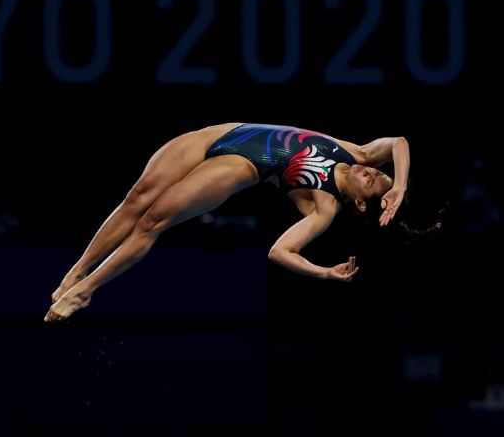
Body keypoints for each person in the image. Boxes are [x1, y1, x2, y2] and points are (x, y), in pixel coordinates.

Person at [44, 122, 410, 322]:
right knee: (136, 198)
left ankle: (86, 289)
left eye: (376, 183)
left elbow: (281, 251)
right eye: (379, 173)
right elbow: (399, 141)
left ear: (361, 203)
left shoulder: (325, 205)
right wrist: (401, 185)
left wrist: (322, 273)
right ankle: (76, 271)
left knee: (152, 220)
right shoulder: (355, 151)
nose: (373, 173)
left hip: (240, 166)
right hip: (215, 135)